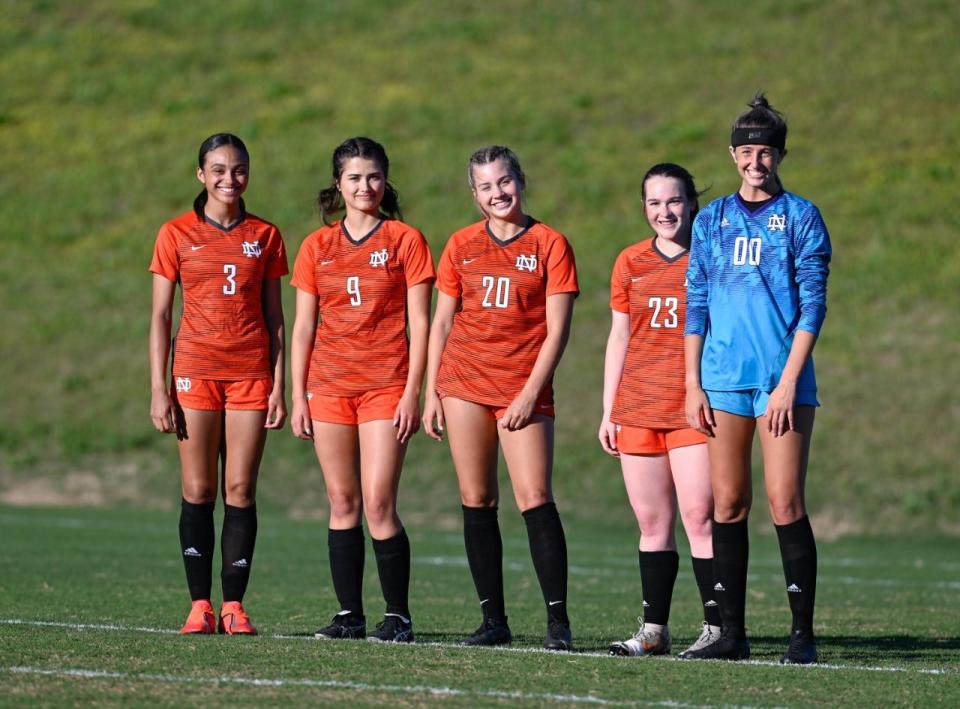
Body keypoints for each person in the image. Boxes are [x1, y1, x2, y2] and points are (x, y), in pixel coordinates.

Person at [682, 93, 832, 663]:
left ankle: (802, 636)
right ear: (732, 155)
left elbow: (813, 307)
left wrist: (790, 381)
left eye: (765, 152)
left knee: (785, 501)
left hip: (780, 381)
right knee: (728, 504)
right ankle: (731, 635)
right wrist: (693, 382)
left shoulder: (801, 216)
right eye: (746, 152)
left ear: (780, 155)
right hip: (722, 381)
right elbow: (695, 302)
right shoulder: (713, 218)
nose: (755, 162)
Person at [422, 145, 578, 651]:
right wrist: (431, 393)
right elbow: (442, 321)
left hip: (522, 387)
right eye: (486, 186)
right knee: (477, 500)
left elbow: (557, 330)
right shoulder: (461, 244)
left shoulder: (550, 243)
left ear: (520, 180)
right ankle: (493, 621)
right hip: (463, 382)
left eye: (505, 182)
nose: (498, 193)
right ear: (475, 194)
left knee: (534, 497)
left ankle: (558, 622)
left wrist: (530, 393)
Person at [290, 137, 434, 644]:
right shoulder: (316, 246)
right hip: (328, 387)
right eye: (354, 177)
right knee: (341, 499)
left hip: (386, 386)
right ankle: (348, 615)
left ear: (385, 180)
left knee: (378, 501)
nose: (364, 186)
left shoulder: (405, 240)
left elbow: (421, 322)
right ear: (339, 184)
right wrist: (297, 395)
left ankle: (398, 617)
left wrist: (414, 392)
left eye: (373, 177)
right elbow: (303, 327)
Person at [149, 133, 288, 635]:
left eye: (239, 169)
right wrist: (158, 387)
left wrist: (279, 383)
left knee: (240, 489)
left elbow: (275, 317)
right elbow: (162, 316)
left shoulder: (266, 235)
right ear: (201, 175)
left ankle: (234, 606)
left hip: (250, 375)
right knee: (199, 488)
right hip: (194, 373)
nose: (230, 179)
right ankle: (199, 605)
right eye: (219, 170)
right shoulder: (175, 233)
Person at [599, 164, 723, 657]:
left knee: (700, 518)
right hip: (639, 408)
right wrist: (610, 409)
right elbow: (620, 336)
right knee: (652, 524)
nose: (664, 211)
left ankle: (718, 627)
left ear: (691, 202)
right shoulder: (629, 261)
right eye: (654, 203)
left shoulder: (711, 256)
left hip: (694, 408)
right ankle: (654, 632)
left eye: (673, 201)